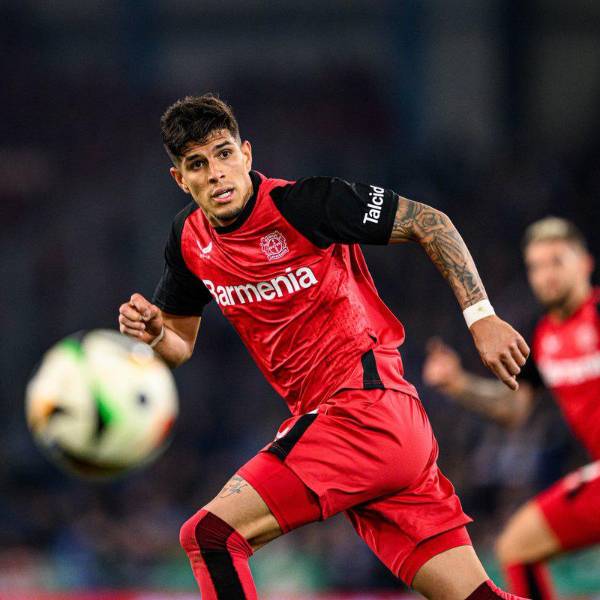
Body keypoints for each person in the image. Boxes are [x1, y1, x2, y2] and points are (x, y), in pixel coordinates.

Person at [118, 94, 530, 600]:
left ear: (246, 154)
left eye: (224, 154)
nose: (216, 173)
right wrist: (157, 334)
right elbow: (180, 346)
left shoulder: (305, 204)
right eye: (197, 164)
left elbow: (429, 221)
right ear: (180, 179)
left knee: (210, 536)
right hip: (374, 433)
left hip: (364, 411)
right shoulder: (187, 240)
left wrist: (481, 316)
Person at [423, 217, 599, 599]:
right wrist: (458, 384)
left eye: (556, 262)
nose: (546, 275)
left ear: (585, 263)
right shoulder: (543, 334)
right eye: (536, 266)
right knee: (516, 547)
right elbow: (513, 409)